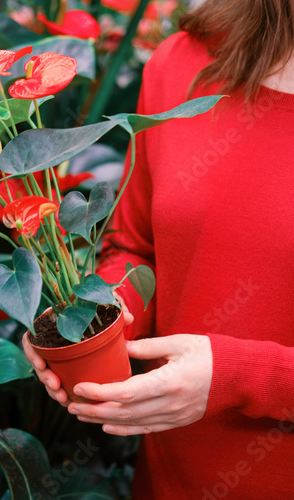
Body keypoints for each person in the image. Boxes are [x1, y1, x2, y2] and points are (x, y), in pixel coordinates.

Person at [23, 0, 294, 498]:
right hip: (169, 481)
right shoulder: (182, 63)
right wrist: (85, 321)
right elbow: (138, 247)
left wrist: (243, 377)